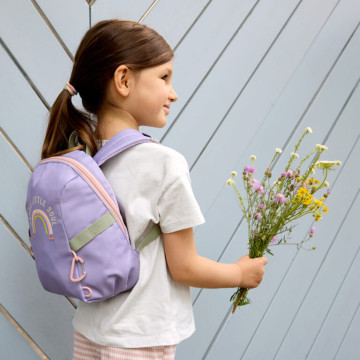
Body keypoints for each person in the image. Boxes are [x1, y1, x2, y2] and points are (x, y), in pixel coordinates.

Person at [41, 19, 267, 360]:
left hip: (89, 329)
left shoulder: (81, 158)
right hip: (140, 338)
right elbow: (184, 267)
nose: (173, 92)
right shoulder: (164, 164)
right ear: (123, 80)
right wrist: (240, 274)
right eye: (164, 77)